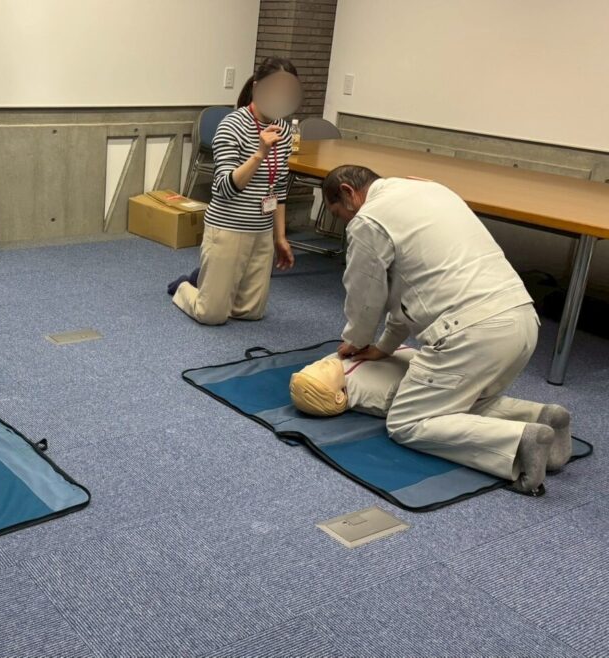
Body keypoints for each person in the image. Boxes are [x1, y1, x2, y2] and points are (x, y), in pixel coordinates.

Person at [322, 165, 571, 495]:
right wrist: (383, 347)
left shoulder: (368, 220)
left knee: (407, 421)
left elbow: (365, 295)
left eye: (338, 214)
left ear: (347, 193)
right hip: (522, 320)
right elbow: (407, 289)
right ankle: (541, 417)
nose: (344, 223)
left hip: (471, 333)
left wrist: (356, 340)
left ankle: (518, 440)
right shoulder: (431, 189)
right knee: (454, 402)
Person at [289, 349, 573, 476]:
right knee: (468, 403)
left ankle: (520, 436)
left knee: (419, 424)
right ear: (339, 396)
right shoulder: (359, 388)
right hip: (446, 360)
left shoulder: (343, 365)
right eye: (317, 373)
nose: (317, 366)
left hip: (436, 370)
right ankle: (537, 416)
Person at [168, 56, 299, 324]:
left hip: (261, 230)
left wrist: (280, 237)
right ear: (257, 87)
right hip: (228, 227)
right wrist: (259, 153)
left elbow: (279, 188)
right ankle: (184, 286)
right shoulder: (231, 125)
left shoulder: (284, 130)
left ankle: (207, 280)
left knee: (250, 312)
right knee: (211, 314)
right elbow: (224, 188)